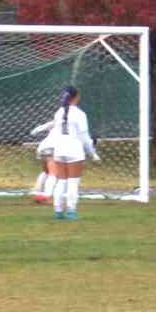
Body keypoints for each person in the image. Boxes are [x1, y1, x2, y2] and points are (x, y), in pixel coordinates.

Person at [51, 86, 100, 220]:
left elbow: (55, 133)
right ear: (76, 97)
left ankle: (58, 211)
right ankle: (71, 211)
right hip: (74, 150)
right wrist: (93, 154)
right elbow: (85, 138)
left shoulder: (58, 112)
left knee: (61, 181)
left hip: (59, 149)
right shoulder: (79, 114)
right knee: (73, 182)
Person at [29, 120, 60, 203]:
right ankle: (47, 195)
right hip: (52, 147)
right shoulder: (74, 124)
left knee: (46, 171)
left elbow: (41, 128)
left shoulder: (58, 121)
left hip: (42, 146)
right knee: (53, 173)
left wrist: (34, 131)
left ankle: (36, 191)